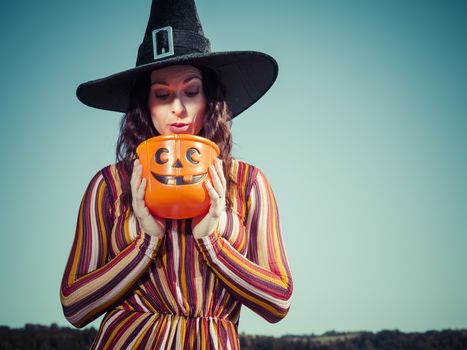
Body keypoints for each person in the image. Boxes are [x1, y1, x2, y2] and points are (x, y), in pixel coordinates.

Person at [60, 0, 293, 348]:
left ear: (210, 97)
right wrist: (145, 244)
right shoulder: (108, 186)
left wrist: (213, 241)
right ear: (145, 103)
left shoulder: (248, 184)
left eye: (191, 90)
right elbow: (74, 307)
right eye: (162, 94)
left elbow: (279, 301)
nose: (178, 109)